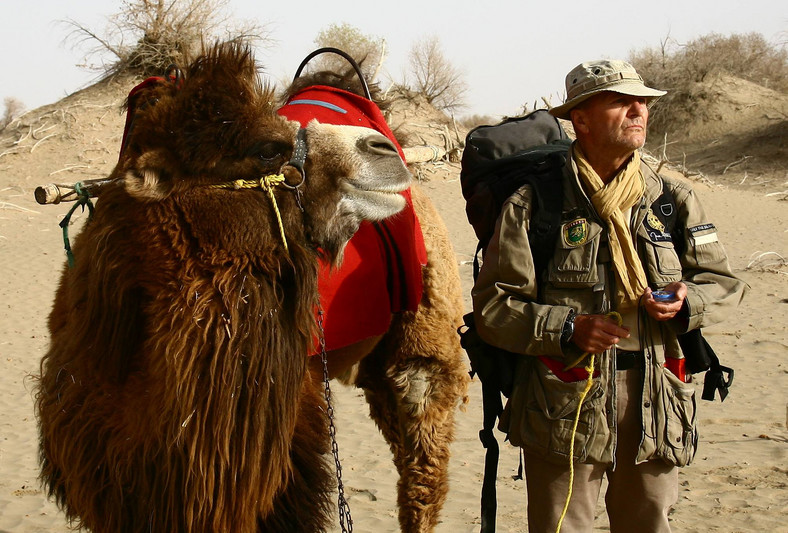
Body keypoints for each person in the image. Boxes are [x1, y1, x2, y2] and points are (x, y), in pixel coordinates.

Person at [471, 59, 747, 532]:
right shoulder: (534, 203)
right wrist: (568, 328)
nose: (638, 110)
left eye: (643, 102)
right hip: (564, 402)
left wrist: (687, 301)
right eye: (622, 102)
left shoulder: (672, 199)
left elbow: (724, 284)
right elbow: (495, 308)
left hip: (658, 401)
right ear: (580, 118)